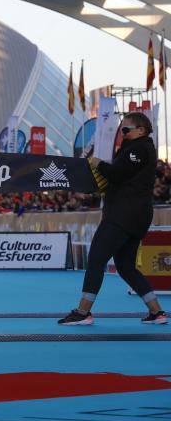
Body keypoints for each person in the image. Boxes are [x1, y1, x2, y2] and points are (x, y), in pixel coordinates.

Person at [59, 112, 166, 325]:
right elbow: (122, 179)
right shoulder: (142, 149)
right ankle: (156, 312)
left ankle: (83, 312)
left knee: (96, 260)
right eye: (121, 130)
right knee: (126, 267)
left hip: (122, 215)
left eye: (126, 130)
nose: (122, 134)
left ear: (141, 131)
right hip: (135, 215)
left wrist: (97, 163)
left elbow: (117, 174)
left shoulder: (139, 149)